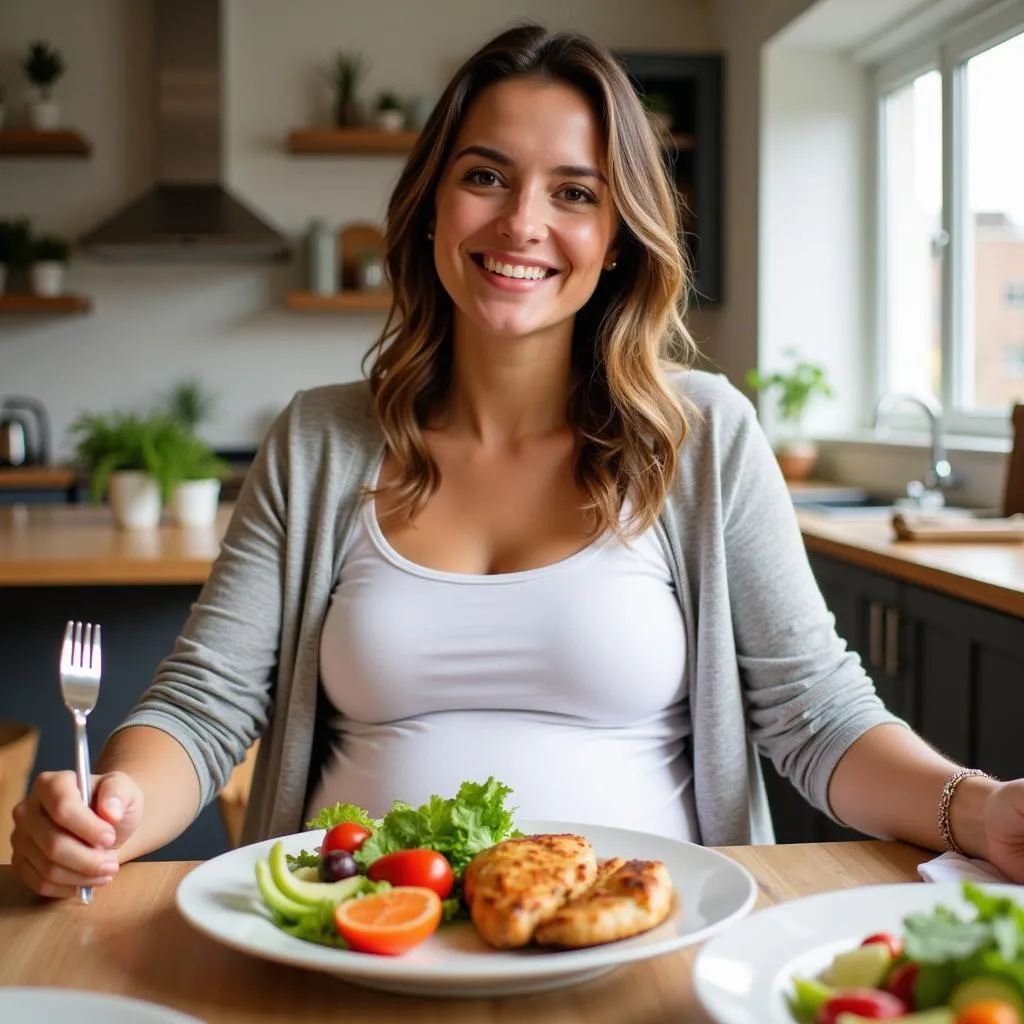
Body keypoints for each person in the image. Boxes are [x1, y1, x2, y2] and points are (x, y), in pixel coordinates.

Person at [11, 23, 1024, 899]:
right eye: (485, 174)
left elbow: (815, 713)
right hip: (357, 945)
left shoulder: (701, 434)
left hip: (641, 942)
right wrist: (111, 813)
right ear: (433, 203)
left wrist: (977, 811)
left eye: (573, 192)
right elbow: (206, 702)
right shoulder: (318, 439)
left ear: (619, 234)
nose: (521, 223)